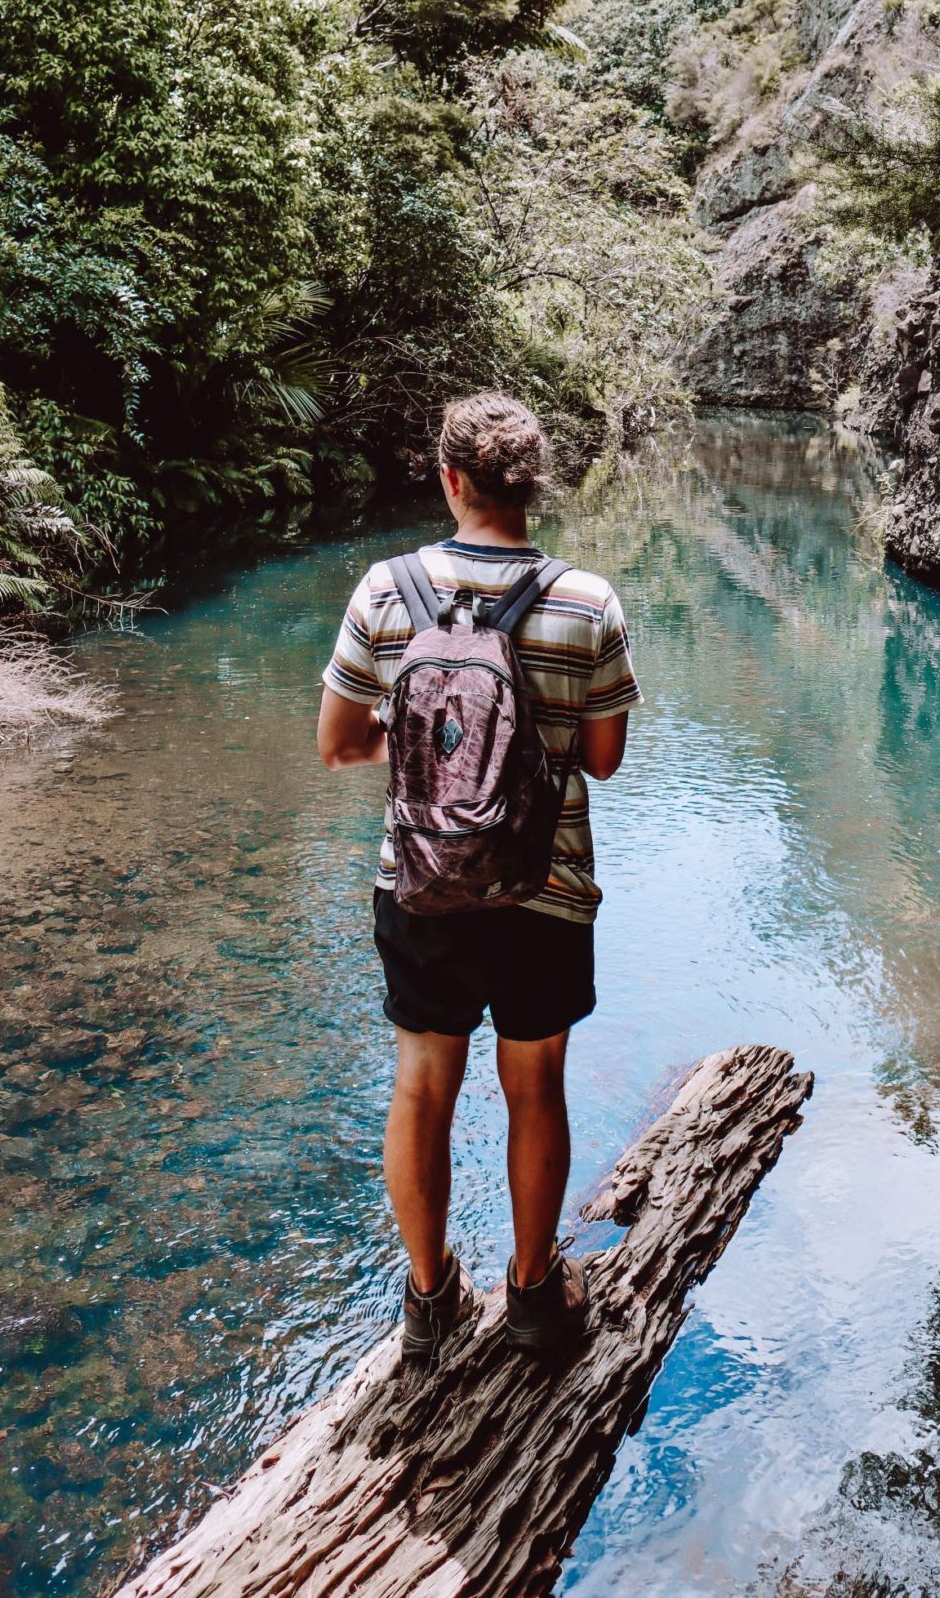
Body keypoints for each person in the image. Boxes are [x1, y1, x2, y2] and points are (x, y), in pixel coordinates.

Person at [316, 392, 642, 1365]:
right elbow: (605, 756)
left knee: (422, 1083)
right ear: (534, 487)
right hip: (545, 885)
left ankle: (429, 1298)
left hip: (419, 880)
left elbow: (337, 744)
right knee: (534, 1083)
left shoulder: (386, 588)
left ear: (450, 480)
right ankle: (536, 1291)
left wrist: (428, 745)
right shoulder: (588, 601)